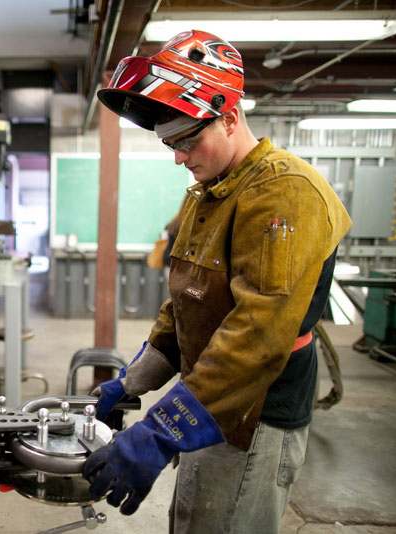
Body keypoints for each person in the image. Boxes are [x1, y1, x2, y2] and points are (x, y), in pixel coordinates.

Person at [83, 30, 352, 532]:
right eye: (170, 143)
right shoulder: (209, 192)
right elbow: (185, 305)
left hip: (257, 408)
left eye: (188, 139)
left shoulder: (283, 192)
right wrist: (132, 382)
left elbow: (258, 333)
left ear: (229, 116)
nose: (179, 157)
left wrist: (162, 430)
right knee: (196, 519)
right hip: (211, 392)